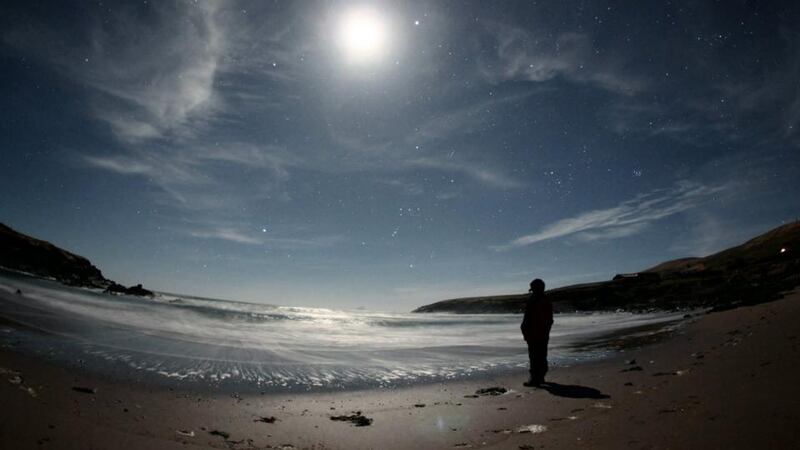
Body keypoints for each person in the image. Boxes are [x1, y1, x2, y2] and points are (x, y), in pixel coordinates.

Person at [520, 278, 553, 387]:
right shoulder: (546, 299)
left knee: (534, 356)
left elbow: (529, 318)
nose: (532, 291)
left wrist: (526, 331)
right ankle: (540, 376)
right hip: (542, 332)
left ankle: (535, 378)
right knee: (541, 354)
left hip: (535, 333)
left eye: (533, 289)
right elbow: (549, 320)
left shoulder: (535, 300)